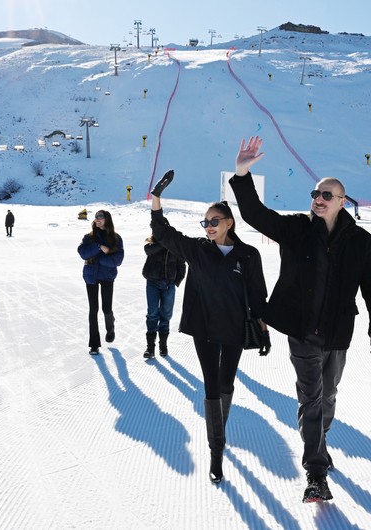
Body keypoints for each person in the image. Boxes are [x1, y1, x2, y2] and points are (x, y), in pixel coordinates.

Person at [228, 136, 371, 504]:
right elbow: (255, 214)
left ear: (341, 202)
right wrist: (242, 174)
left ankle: (316, 438)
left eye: (326, 195)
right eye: (315, 193)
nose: (317, 199)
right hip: (302, 330)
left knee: (328, 395)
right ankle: (316, 473)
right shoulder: (297, 230)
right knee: (311, 398)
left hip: (337, 332)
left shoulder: (360, 241)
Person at [149, 169, 269, 484]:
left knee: (227, 384)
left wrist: (263, 326)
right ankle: (216, 450)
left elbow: (258, 294)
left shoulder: (248, 255)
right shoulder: (199, 251)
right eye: (205, 222)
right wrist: (157, 201)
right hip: (204, 328)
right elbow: (165, 235)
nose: (209, 227)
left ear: (229, 222)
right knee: (211, 385)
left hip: (233, 329)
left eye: (214, 221)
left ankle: (219, 430)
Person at [77, 210, 124, 355]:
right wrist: (98, 247)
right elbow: (83, 253)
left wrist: (102, 259)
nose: (97, 220)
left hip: (107, 276)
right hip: (91, 276)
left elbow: (118, 259)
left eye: (100, 217)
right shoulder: (89, 237)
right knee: (93, 310)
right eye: (96, 217)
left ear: (107, 220)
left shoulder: (115, 238)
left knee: (106, 309)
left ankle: (110, 328)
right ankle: (94, 344)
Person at [142, 234, 187, 358]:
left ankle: (163, 345)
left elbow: (182, 265)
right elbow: (148, 250)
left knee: (166, 314)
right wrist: (163, 241)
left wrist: (176, 281)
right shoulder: (152, 244)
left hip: (168, 284)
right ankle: (150, 348)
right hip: (152, 283)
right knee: (152, 313)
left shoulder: (175, 247)